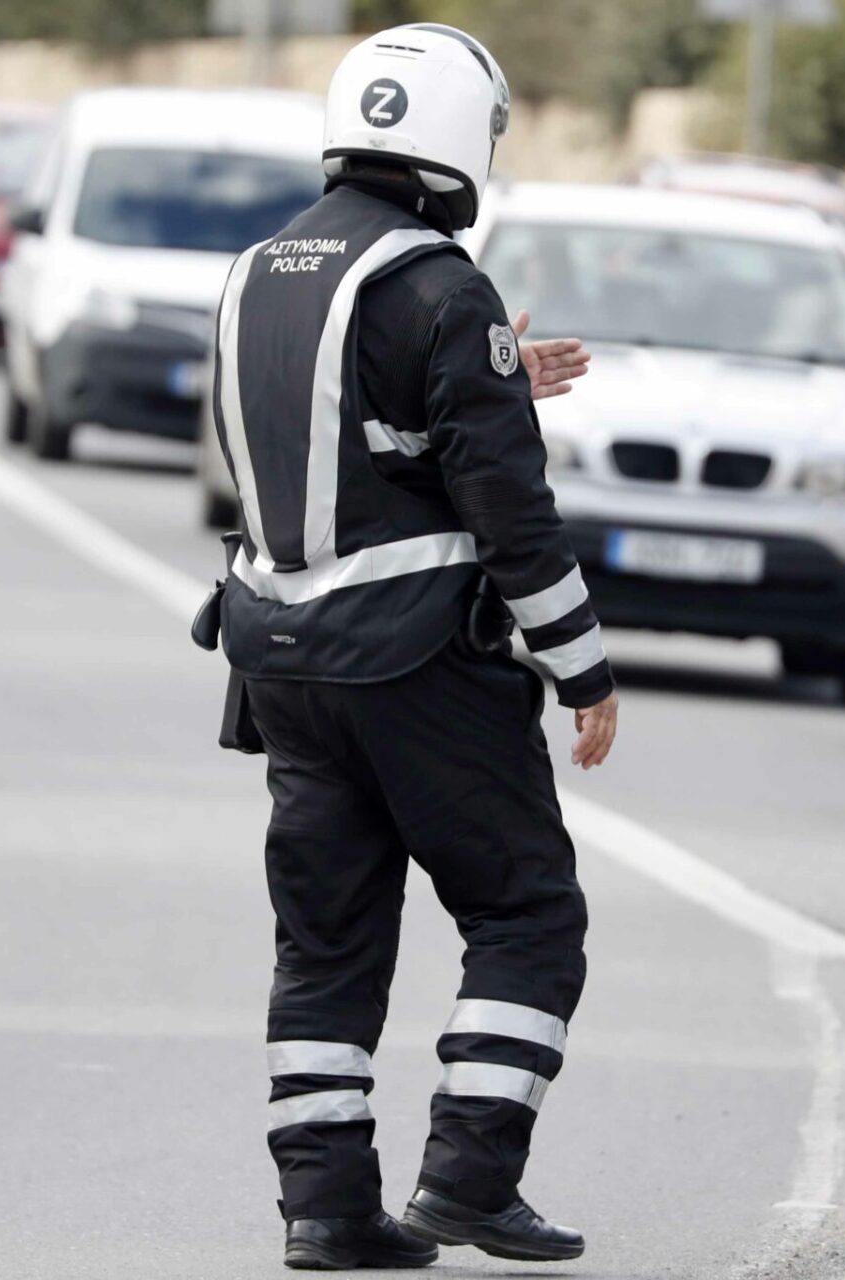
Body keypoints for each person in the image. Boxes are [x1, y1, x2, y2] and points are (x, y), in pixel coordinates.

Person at [205, 22, 619, 1272]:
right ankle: (470, 1176)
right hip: (418, 665)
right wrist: (581, 667)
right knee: (528, 910)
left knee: (325, 942)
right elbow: (508, 505)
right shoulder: (441, 284)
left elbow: (355, 431)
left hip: (282, 664)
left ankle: (325, 1211)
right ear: (455, 140)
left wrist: (498, 376)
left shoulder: (260, 269)